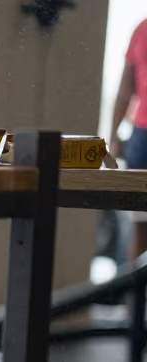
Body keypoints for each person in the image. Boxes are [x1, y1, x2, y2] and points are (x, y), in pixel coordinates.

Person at [111, 16, 147, 258]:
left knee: (141, 229)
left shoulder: (142, 28)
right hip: (142, 137)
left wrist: (113, 137)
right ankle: (132, 295)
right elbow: (126, 89)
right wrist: (112, 138)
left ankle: (132, 296)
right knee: (140, 227)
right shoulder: (142, 29)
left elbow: (125, 89)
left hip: (142, 137)